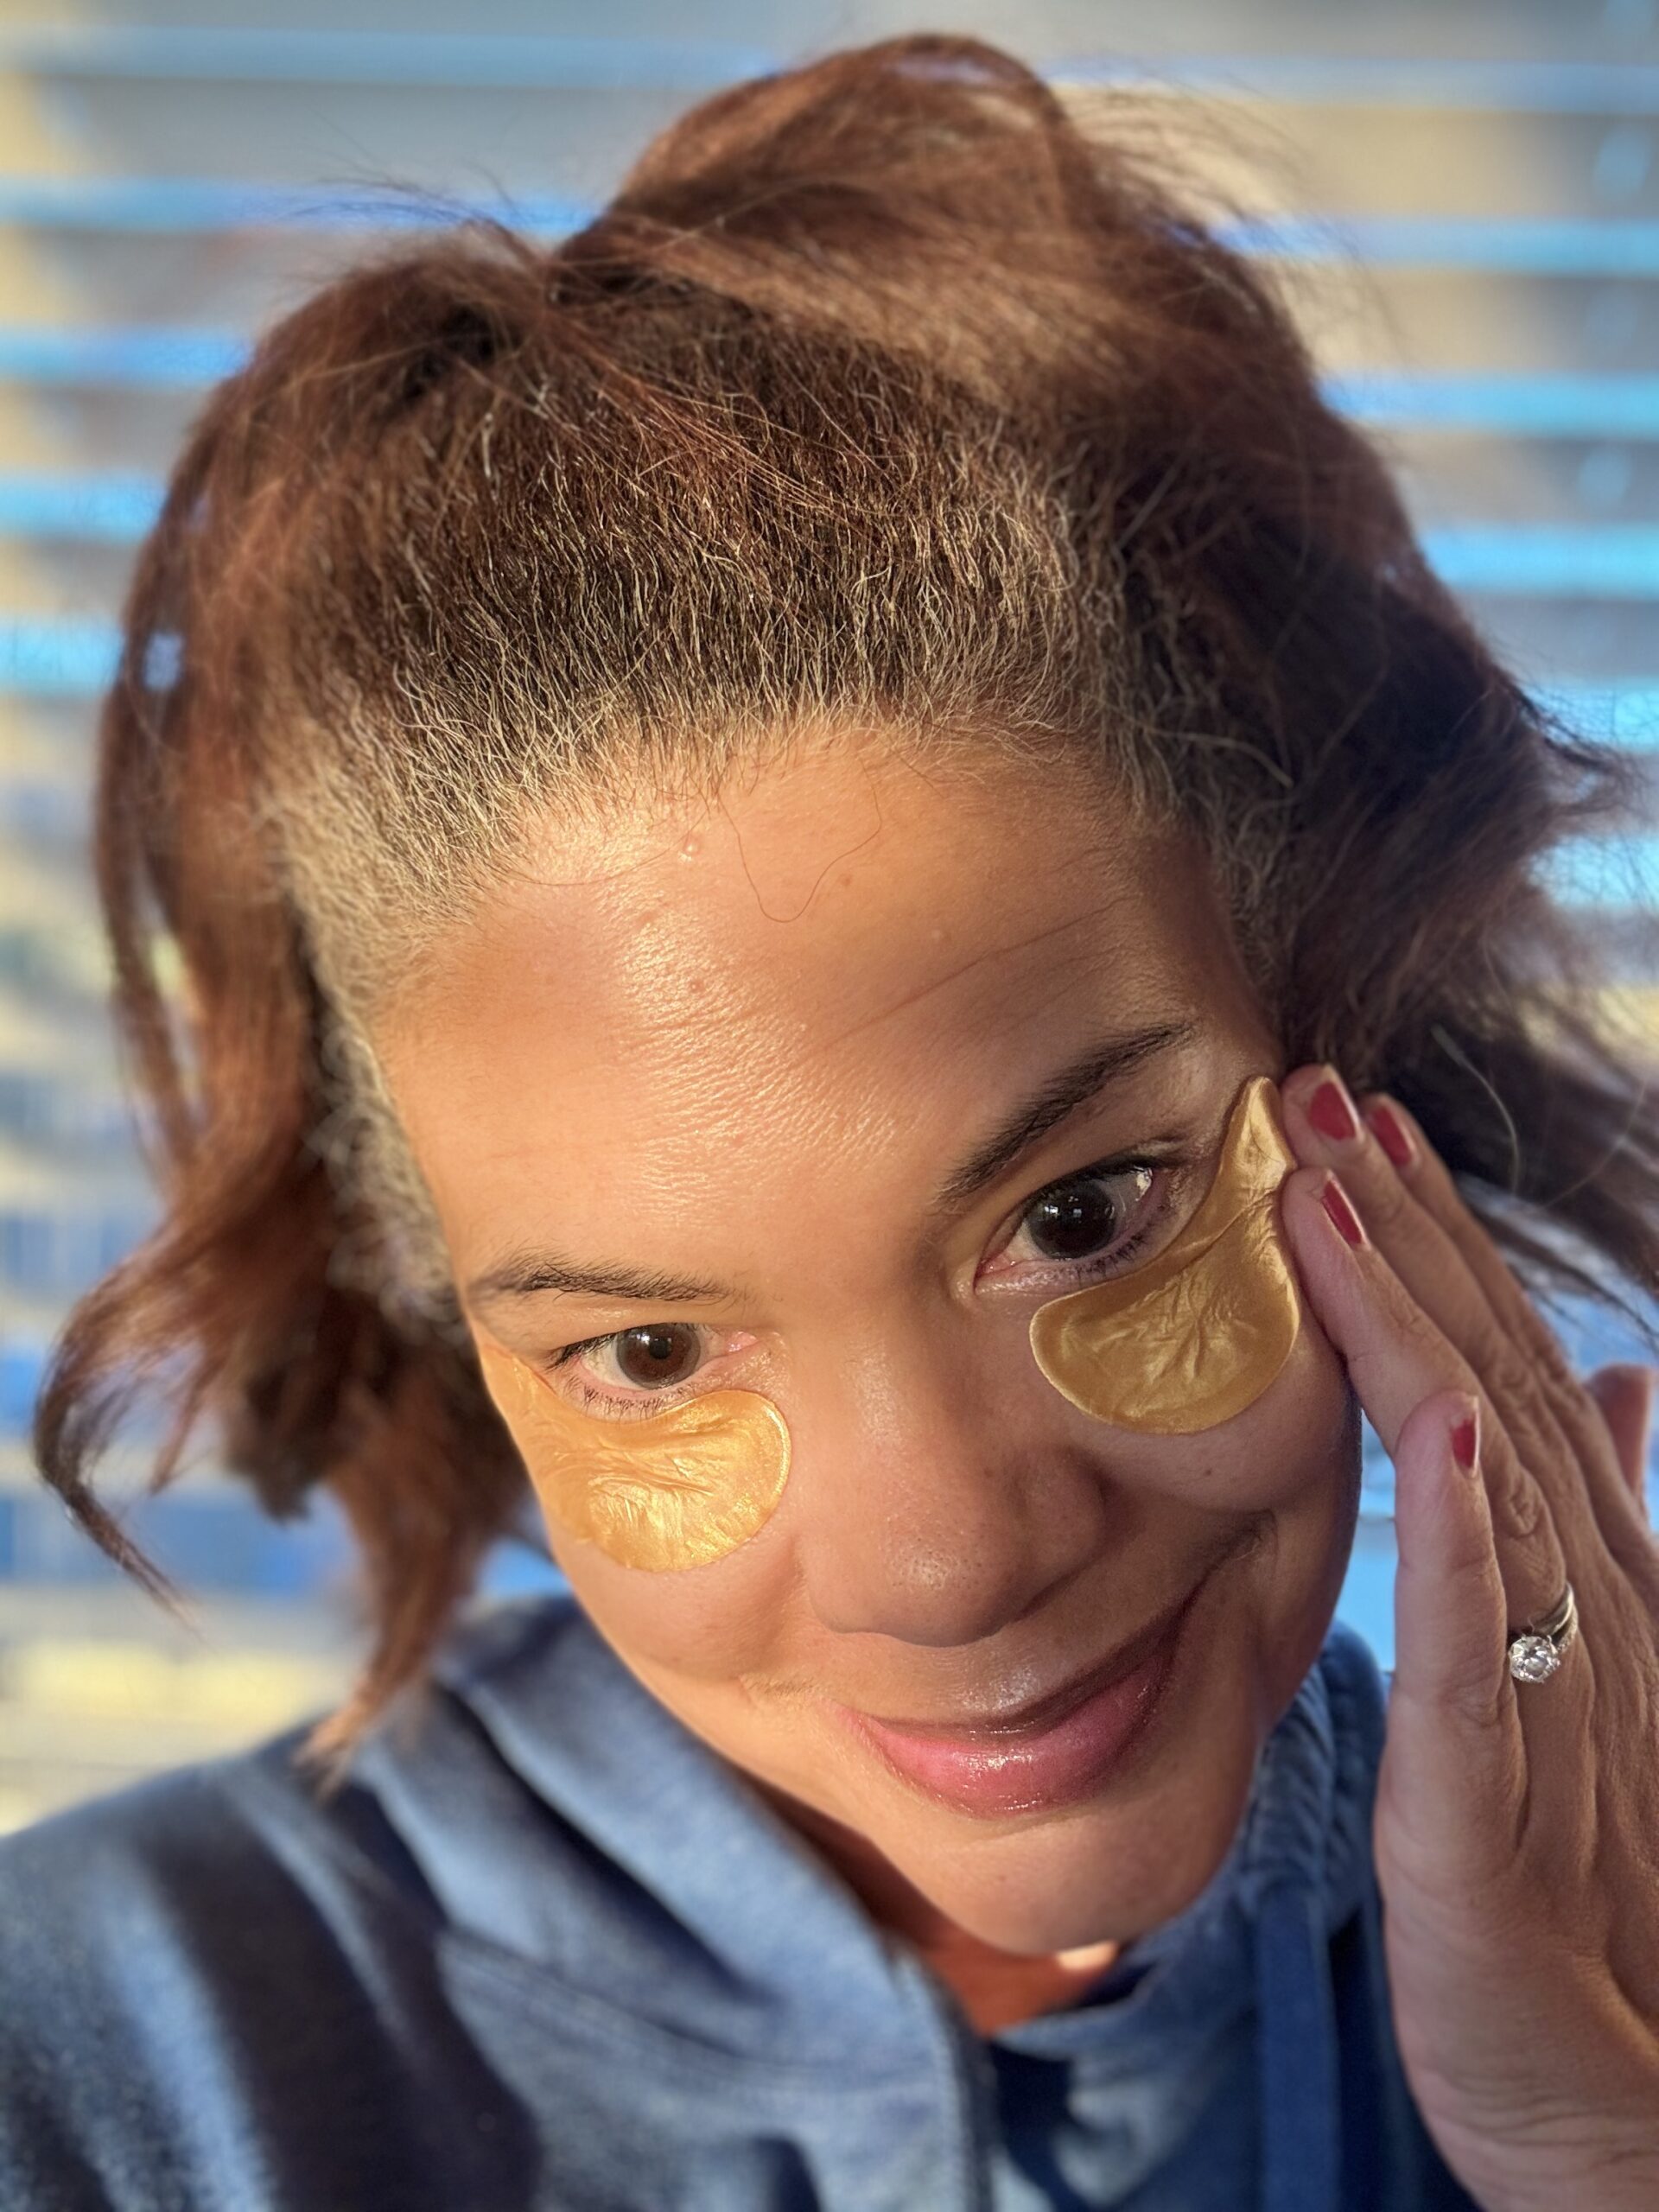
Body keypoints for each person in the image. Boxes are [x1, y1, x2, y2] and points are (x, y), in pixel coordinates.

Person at [3, 29, 1658, 2212]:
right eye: (650, 1347)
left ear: (1350, 1084)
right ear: (462, 1332)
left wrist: (1596, 2139)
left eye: (1082, 1213)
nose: (949, 1560)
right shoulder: (84, 2081)